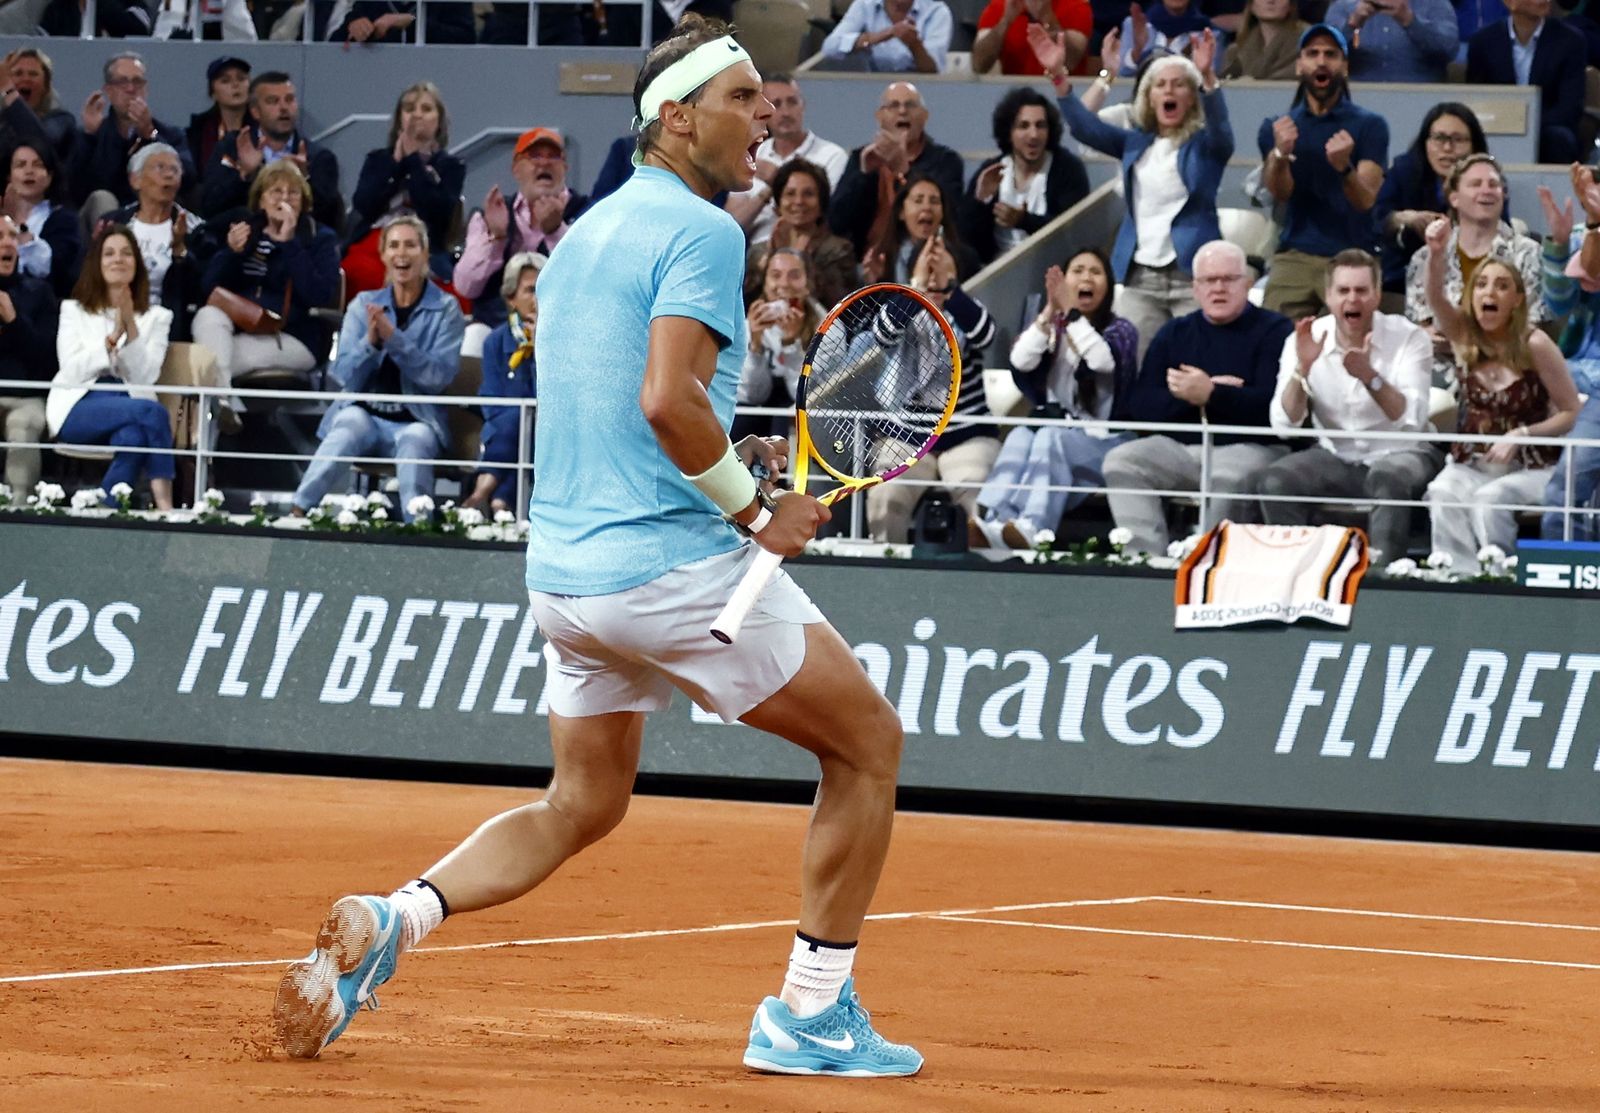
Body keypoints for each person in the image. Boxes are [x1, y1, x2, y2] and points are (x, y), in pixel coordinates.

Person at [272, 17, 922, 1078]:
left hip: (566, 579)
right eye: (741, 97)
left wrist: (733, 459)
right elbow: (666, 402)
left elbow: (631, 403)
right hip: (666, 570)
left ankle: (397, 919)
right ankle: (810, 1014)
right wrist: (758, 509)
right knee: (868, 747)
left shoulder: (582, 236)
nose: (763, 113)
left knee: (583, 802)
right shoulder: (706, 231)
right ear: (675, 117)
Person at [1033, 24, 1233, 363]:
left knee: (1196, 365)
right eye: (1160, 84)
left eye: (1179, 84)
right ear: (1149, 97)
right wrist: (1059, 77)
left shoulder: (1206, 146)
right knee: (1133, 364)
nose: (1169, 90)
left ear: (1191, 97)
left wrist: (1208, 77)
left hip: (1191, 276)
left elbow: (1222, 131)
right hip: (1140, 277)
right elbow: (1084, 127)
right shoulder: (1134, 142)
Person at [1101, 240, 1293, 555]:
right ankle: (1145, 562)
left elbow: (1273, 410)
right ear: (1195, 288)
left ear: (1246, 283)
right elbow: (1142, 404)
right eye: (1209, 280)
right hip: (1181, 448)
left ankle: (1208, 567)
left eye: (1228, 279)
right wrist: (1191, 396)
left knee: (1226, 478)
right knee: (1122, 461)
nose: (1218, 288)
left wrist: (1213, 394)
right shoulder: (1174, 333)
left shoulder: (1275, 331)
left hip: (1251, 447)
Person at [1256, 248, 1439, 563]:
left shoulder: (1409, 338)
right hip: (1335, 455)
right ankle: (1297, 573)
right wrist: (1303, 369)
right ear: (1328, 296)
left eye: (1361, 290)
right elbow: (1285, 423)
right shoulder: (1305, 338)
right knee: (1276, 480)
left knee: (1389, 478)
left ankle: (1384, 578)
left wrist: (1369, 376)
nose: (1352, 299)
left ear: (1377, 295)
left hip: (1402, 452)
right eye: (1343, 291)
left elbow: (1410, 419)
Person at [1420, 216, 1579, 564]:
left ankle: (1497, 577)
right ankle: (1457, 579)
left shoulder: (1535, 343)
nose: (1489, 293)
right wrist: (1436, 253)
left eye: (1502, 286)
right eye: (1481, 285)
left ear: (1518, 300)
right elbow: (1434, 297)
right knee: (1442, 492)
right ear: (1471, 295)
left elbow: (1572, 412)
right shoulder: (1464, 335)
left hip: (1532, 468)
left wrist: (1522, 434)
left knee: (1490, 500)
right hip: (1471, 463)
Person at [290, 216, 464, 519]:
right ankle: (297, 512)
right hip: (366, 415)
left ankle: (419, 529)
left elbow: (438, 378)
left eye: (411, 245)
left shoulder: (447, 309)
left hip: (417, 420)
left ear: (425, 254)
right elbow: (342, 374)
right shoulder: (363, 305)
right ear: (383, 255)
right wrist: (370, 342)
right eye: (394, 245)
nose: (402, 253)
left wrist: (394, 339)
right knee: (347, 426)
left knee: (417, 442)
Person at [970, 246, 1139, 548]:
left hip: (1108, 443)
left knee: (1049, 436)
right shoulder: (1054, 328)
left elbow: (1102, 361)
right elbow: (1020, 360)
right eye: (1078, 271)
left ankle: (1034, 527)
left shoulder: (1121, 330)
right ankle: (996, 520)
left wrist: (1071, 314)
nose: (1086, 277)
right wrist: (1050, 311)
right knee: (1020, 434)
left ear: (1108, 285)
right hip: (1060, 452)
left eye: (1096, 272)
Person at [867, 233, 999, 540]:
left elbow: (986, 336)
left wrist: (949, 292)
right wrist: (916, 291)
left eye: (941, 263)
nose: (934, 269)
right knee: (886, 498)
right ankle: (885, 575)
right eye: (928, 262)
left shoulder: (969, 308)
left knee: (978, 498)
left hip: (967, 434)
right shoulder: (901, 306)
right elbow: (883, 335)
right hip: (907, 435)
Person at [192, 161, 342, 419]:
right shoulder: (246, 231)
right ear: (261, 200)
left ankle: (222, 408)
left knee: (205, 365)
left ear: (303, 202)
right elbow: (209, 289)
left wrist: (291, 245)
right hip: (239, 326)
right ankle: (225, 406)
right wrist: (230, 252)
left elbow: (320, 295)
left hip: (291, 336)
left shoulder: (319, 238)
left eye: (292, 193)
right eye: (276, 191)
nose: (284, 198)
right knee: (206, 316)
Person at [1258, 24, 1388, 320]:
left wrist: (1345, 168)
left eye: (1330, 54)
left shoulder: (1371, 126)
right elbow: (1280, 192)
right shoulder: (1276, 128)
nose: (1321, 61)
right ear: (1299, 65)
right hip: (1295, 254)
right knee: (1275, 340)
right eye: (1312, 53)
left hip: (1355, 255)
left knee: (1356, 347)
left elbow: (1366, 199)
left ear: (1344, 67)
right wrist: (1280, 153)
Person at [49, 225, 175, 511]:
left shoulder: (158, 317)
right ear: (97, 263)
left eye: (126, 254)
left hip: (129, 402)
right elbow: (70, 368)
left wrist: (129, 325)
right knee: (152, 412)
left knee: (133, 438)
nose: (118, 259)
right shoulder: (73, 310)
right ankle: (165, 506)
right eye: (109, 253)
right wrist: (109, 342)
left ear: (137, 264)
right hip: (79, 404)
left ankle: (103, 511)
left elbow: (146, 376)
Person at [1404, 153, 1543, 387]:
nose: (1486, 190)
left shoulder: (1528, 254)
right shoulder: (1425, 256)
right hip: (1437, 373)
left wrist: (1466, 342)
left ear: (1503, 194)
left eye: (1494, 184)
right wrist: (1426, 335)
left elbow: (1530, 329)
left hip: (1505, 369)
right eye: (1475, 184)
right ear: (1454, 198)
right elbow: (1418, 325)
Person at [454, 128, 590, 343]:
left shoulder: (588, 213)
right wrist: (496, 238)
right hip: (497, 332)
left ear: (565, 167)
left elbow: (589, 281)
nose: (544, 163)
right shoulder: (489, 215)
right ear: (516, 168)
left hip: (567, 331)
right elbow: (465, 286)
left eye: (553, 156)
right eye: (534, 155)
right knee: (474, 336)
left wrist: (555, 231)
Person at [344, 81, 466, 296]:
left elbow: (438, 213)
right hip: (377, 238)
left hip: (425, 243)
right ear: (400, 118)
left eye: (426, 109)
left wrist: (412, 162)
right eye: (409, 109)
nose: (417, 115)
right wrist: (395, 164)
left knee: (451, 289)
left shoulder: (451, 166)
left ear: (439, 122)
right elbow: (363, 205)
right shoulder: (377, 159)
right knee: (359, 271)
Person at [828, 83, 964, 257]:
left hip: (923, 254)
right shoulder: (861, 158)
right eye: (893, 106)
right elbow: (836, 222)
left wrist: (903, 169)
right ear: (879, 117)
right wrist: (863, 175)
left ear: (924, 116)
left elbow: (950, 218)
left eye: (910, 105)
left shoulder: (946, 161)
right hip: (864, 258)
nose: (902, 111)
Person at [1536, 166, 1600, 539]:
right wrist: (1565, 242)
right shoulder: (1586, 235)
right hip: (1586, 385)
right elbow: (1558, 305)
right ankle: (1559, 584)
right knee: (1569, 485)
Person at [1374, 103, 1490, 303]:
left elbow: (1497, 231)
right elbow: (1377, 221)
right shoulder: (1404, 171)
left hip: (1470, 284)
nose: (1447, 148)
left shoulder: (1487, 181)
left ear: (1474, 146)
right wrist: (1403, 218)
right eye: (1439, 138)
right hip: (1404, 282)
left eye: (1458, 140)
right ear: (1425, 141)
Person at [960, 87, 1090, 265]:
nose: (1034, 135)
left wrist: (1023, 220)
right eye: (1024, 126)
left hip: (1053, 268)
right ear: (1009, 133)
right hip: (996, 272)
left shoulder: (1068, 169)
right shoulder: (991, 170)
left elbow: (1071, 232)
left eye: (1040, 125)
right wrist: (980, 202)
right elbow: (965, 239)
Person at [200, 72, 342, 233]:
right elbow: (209, 207)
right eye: (273, 101)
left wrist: (304, 181)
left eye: (289, 100)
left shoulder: (318, 157)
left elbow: (330, 218)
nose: (283, 108)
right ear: (255, 112)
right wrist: (245, 175)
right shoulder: (232, 147)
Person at [723, 74, 848, 243]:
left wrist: (777, 179)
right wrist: (766, 193)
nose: (786, 112)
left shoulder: (832, 155)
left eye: (792, 102)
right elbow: (732, 225)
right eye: (776, 104)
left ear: (803, 106)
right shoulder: (754, 155)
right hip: (756, 254)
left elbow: (827, 218)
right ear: (762, 112)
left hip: (809, 254)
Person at [463, 250, 543, 515]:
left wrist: (542, 346)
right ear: (511, 299)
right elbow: (491, 398)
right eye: (530, 290)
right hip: (504, 431)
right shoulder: (496, 341)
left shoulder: (560, 343)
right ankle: (500, 504)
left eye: (543, 289)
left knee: (525, 421)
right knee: (517, 422)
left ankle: (482, 493)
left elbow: (550, 399)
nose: (538, 299)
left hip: (547, 431)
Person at [1465, 0, 1586, 165]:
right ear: (1509, 3)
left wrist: (1525, 126)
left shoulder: (1571, 41)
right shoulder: (1483, 42)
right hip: (1496, 124)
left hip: (1548, 127)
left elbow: (1570, 107)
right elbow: (1476, 100)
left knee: (1559, 138)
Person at [71, 54, 196, 213]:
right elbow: (77, 189)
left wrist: (150, 135)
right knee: (103, 199)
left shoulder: (169, 133)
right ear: (109, 91)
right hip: (106, 220)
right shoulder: (93, 133)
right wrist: (90, 136)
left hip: (153, 214)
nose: (131, 89)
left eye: (137, 82)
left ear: (146, 88)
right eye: (122, 82)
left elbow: (188, 178)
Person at [104, 144, 202, 343]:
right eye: (160, 168)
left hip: (168, 324)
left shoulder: (196, 230)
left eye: (174, 170)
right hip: (112, 316)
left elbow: (198, 288)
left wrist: (179, 250)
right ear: (135, 179)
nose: (168, 175)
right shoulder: (113, 224)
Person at [736, 246, 827, 443]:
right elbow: (751, 396)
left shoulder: (828, 327)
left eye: (794, 275)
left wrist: (790, 344)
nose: (784, 284)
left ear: (808, 283)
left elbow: (806, 396)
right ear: (765, 282)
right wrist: (756, 344)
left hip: (806, 417)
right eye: (775, 275)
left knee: (783, 416)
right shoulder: (748, 324)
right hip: (759, 412)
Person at [742, 160, 858, 309]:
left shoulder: (838, 251)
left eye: (808, 194)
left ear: (821, 204)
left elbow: (841, 308)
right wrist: (769, 260)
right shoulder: (758, 251)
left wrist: (802, 260)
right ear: (778, 203)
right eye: (790, 194)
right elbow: (745, 304)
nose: (798, 201)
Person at [0, 214, 58, 496]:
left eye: (12, 236)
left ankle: (18, 512)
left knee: (23, 426)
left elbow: (47, 360)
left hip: (26, 396)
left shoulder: (39, 292)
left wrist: (13, 320)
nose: (8, 244)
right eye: (0, 238)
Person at [863, 172, 980, 287]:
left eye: (934, 201)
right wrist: (874, 283)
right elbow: (876, 305)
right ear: (901, 212)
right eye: (918, 201)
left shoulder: (965, 259)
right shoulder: (884, 259)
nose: (927, 207)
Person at [1, 139, 80, 299]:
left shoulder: (64, 221)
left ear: (50, 176)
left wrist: (16, 222)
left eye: (38, 165)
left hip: (40, 306)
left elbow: (52, 269)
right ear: (9, 176)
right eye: (20, 165)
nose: (29, 171)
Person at [1323, 0, 1458, 81]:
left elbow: (1449, 50)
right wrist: (1351, 25)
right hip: (1359, 102)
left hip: (1421, 100)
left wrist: (1410, 21)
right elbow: (1323, 58)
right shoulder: (1343, 7)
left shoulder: (1435, 4)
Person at [821, 0, 954, 72]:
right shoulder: (864, 6)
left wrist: (915, 45)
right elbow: (829, 47)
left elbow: (932, 70)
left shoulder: (937, 12)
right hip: (873, 89)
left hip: (923, 91)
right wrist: (878, 36)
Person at [0, 47, 80, 167]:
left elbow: (40, 145)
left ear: (46, 85)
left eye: (33, 74)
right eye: (18, 73)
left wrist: (8, 90)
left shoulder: (61, 120)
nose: (25, 79)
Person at [972, 0, 1093, 75]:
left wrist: (1047, 18)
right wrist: (1005, 21)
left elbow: (1072, 61)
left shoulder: (1076, 6)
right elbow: (979, 65)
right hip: (1015, 95)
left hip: (1062, 89)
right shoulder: (1000, 7)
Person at [185, 57, 252, 185]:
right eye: (225, 81)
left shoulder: (264, 128)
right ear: (213, 93)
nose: (235, 85)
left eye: (241, 78)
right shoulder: (198, 132)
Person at [1221, 0, 1310, 78]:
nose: (1270, 1)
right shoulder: (1235, 53)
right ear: (1251, 4)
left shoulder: (1311, 42)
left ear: (1291, 4)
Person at [330, 0, 477, 43]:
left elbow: (465, 38)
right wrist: (355, 26)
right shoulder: (370, 3)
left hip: (433, 83)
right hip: (375, 80)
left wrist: (412, 23)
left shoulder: (452, 3)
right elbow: (335, 43)